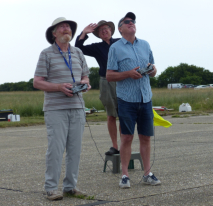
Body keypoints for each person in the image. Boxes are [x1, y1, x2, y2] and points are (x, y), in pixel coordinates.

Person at [33, 17, 91, 200]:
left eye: (69, 27)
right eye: (62, 26)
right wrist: (59, 87)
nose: (66, 29)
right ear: (54, 33)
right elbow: (37, 82)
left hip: (77, 107)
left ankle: (70, 186)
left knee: (75, 149)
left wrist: (84, 84)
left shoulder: (78, 53)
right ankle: (51, 187)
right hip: (56, 109)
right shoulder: (46, 54)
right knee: (56, 149)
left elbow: (86, 77)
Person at [106, 12, 161, 188]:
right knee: (127, 137)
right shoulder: (115, 48)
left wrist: (152, 70)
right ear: (120, 29)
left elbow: (153, 67)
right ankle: (125, 175)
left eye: (133, 21)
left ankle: (147, 173)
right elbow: (109, 75)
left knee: (145, 137)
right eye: (127, 22)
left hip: (145, 98)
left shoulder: (145, 44)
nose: (131, 23)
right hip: (127, 99)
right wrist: (128, 74)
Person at [75, 21, 120, 155]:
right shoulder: (97, 47)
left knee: (125, 114)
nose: (104, 31)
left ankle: (125, 145)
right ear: (98, 35)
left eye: (106, 28)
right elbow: (78, 48)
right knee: (111, 114)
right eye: (101, 30)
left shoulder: (120, 42)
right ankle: (115, 146)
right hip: (106, 81)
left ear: (111, 30)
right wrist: (84, 33)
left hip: (124, 79)